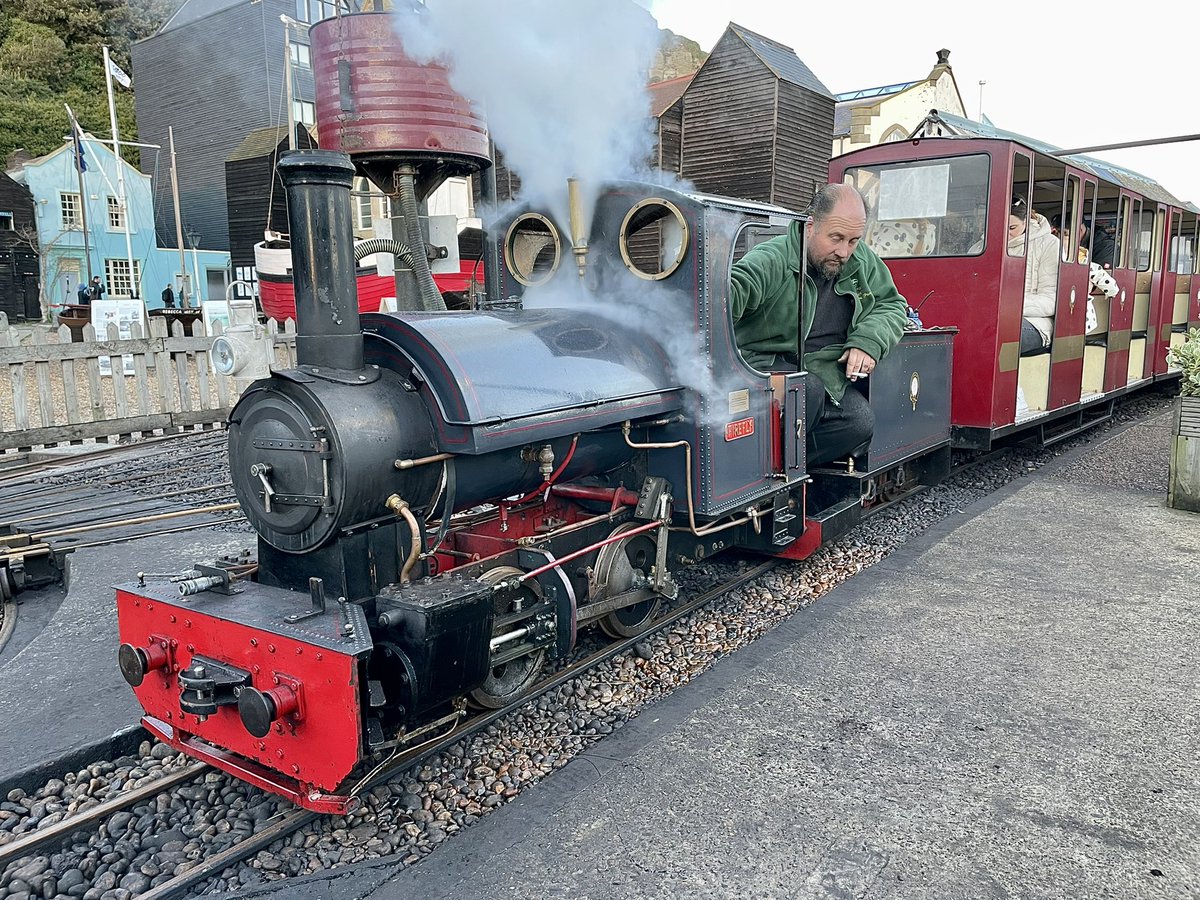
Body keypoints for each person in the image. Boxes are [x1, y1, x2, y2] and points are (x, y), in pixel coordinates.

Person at [729, 183, 909, 466]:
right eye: (836, 238)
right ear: (810, 225)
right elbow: (738, 287)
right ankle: (760, 472)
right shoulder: (772, 258)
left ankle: (784, 469)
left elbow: (892, 304)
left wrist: (867, 343)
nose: (844, 251)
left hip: (824, 370)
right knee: (805, 390)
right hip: (762, 366)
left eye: (853, 240)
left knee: (859, 423)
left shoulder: (861, 260)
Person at [1010, 199, 1060, 355]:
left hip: (1036, 322)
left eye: (1012, 227)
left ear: (1026, 222)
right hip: (988, 317)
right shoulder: (980, 245)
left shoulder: (1050, 244)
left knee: (997, 334)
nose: (1006, 233)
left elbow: (1052, 299)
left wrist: (1008, 307)